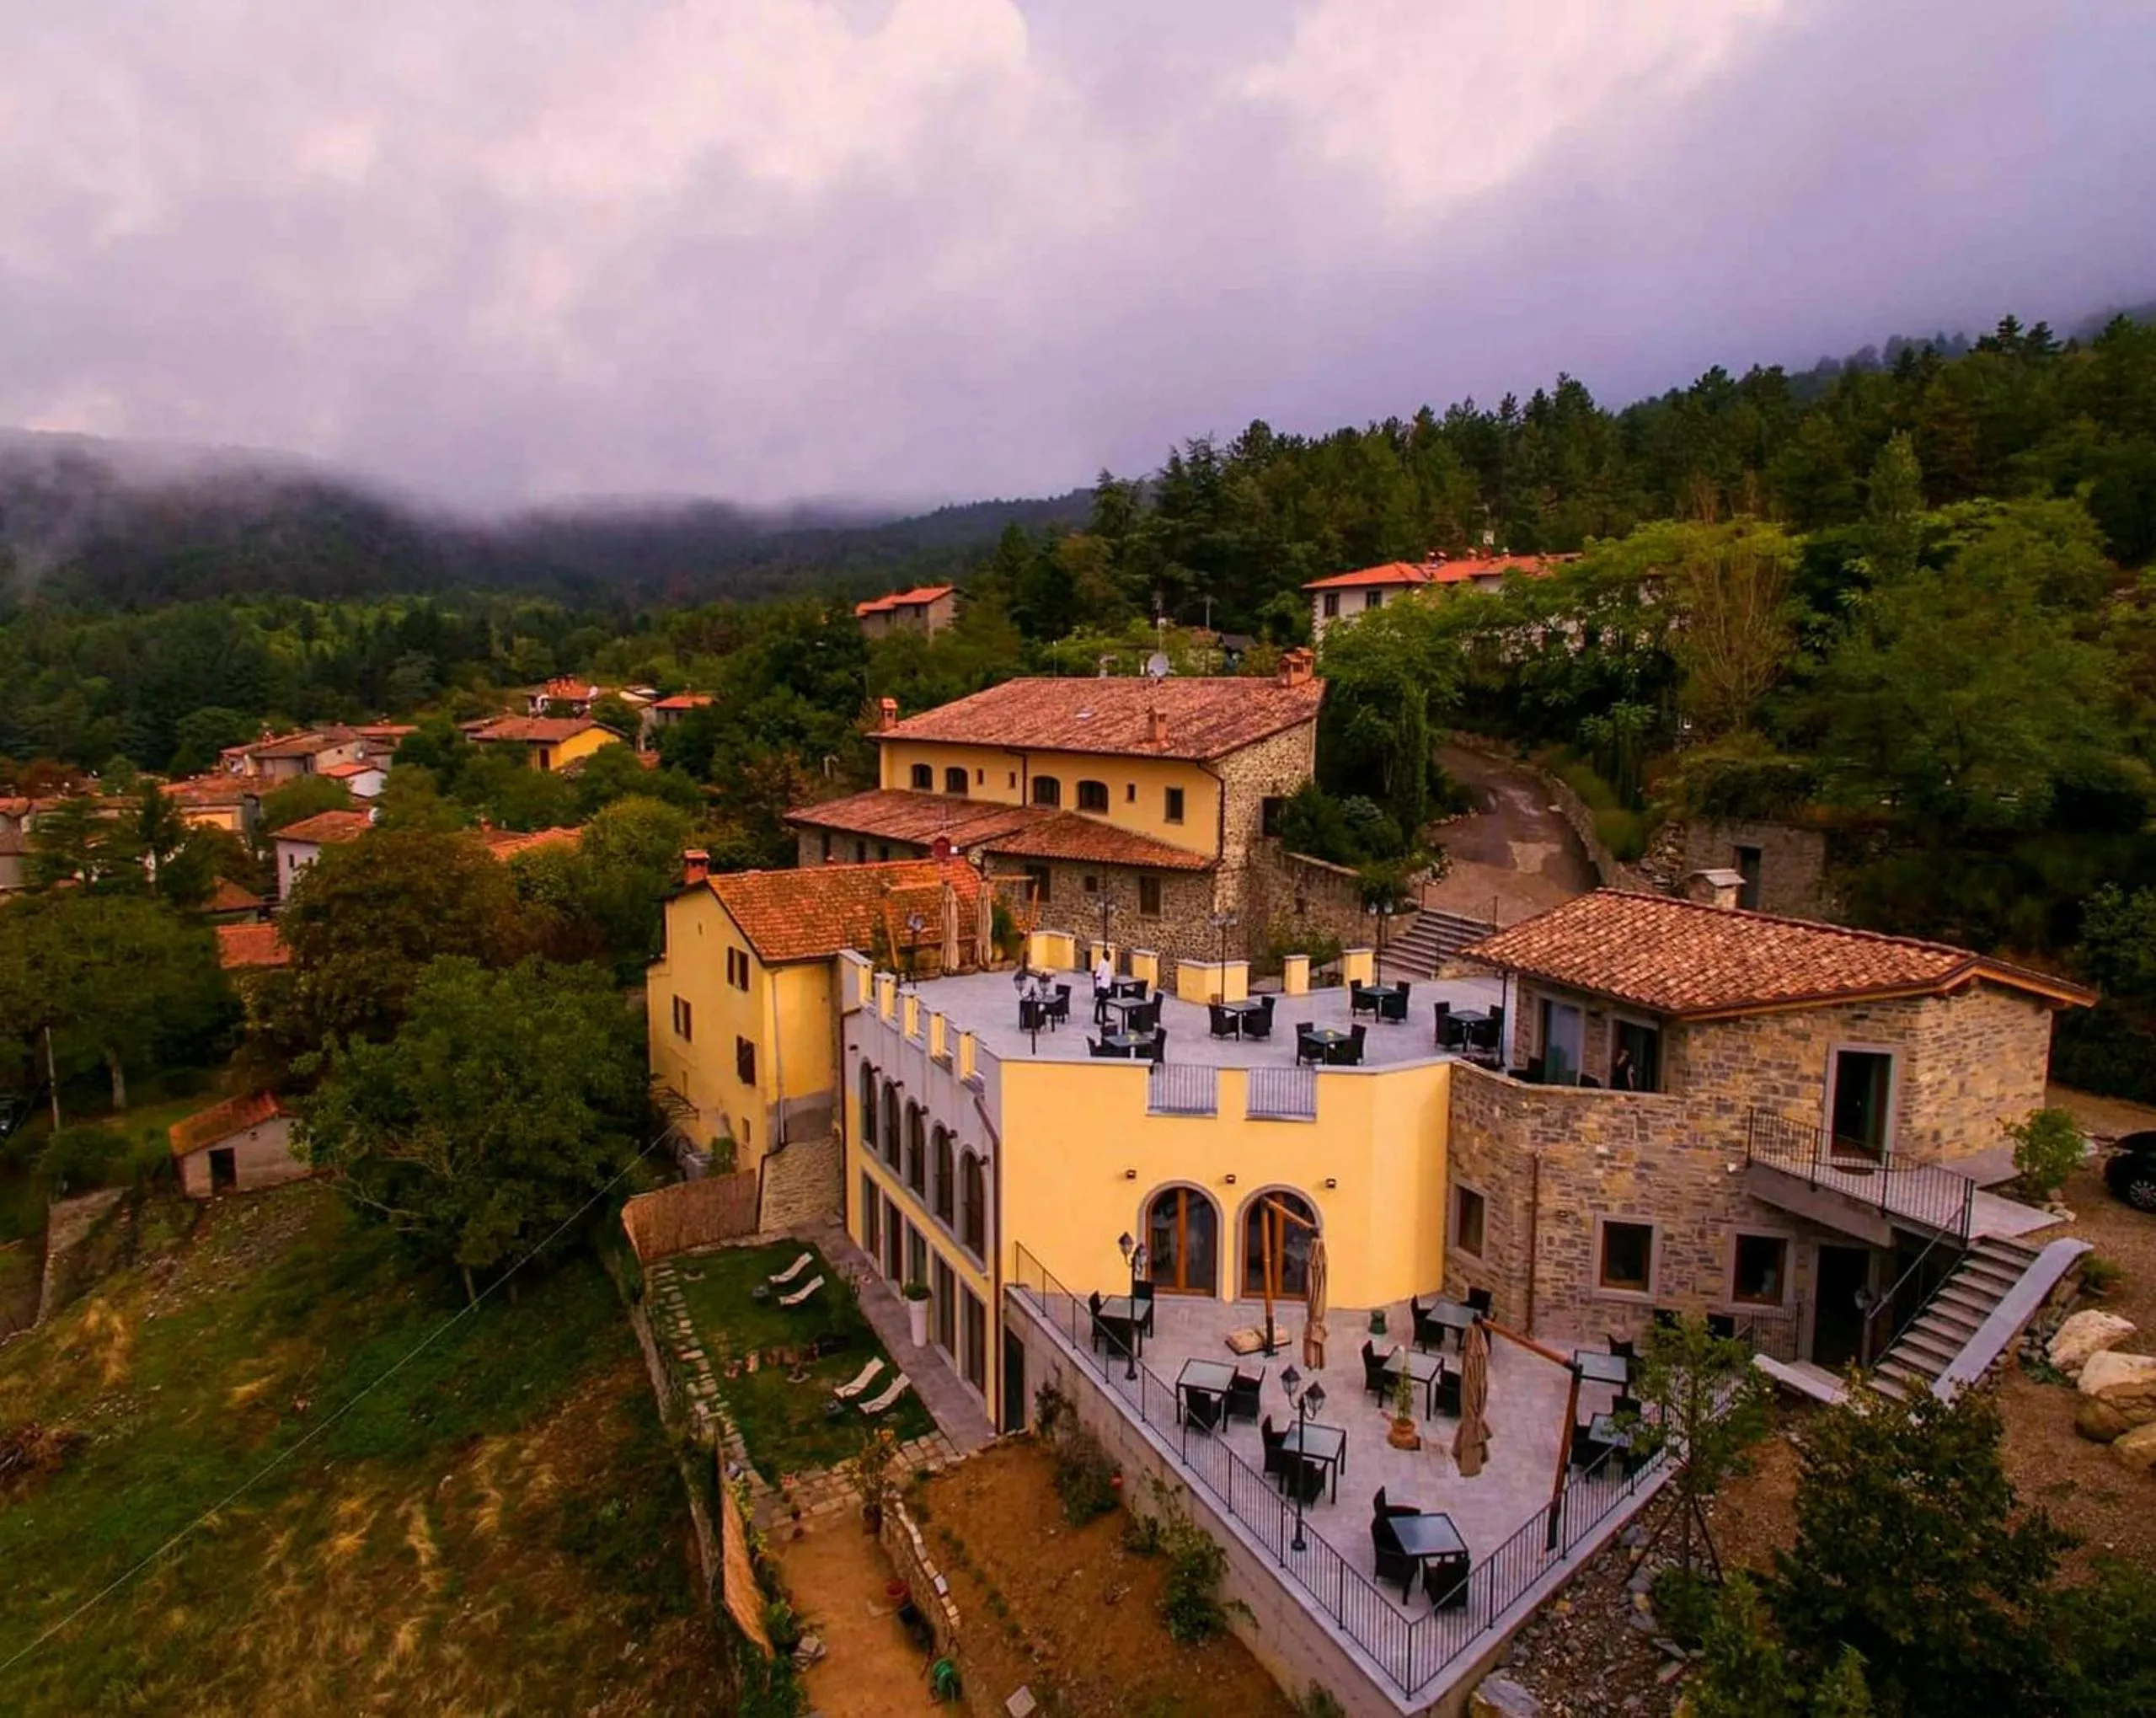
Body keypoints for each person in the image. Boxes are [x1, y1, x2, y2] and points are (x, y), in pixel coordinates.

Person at [1093, 950, 1115, 1023]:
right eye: (1108, 955)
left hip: (1106, 986)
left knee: (1103, 1002)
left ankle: (1104, 1016)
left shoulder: (1107, 963)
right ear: (1105, 955)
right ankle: (1097, 1018)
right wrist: (1098, 986)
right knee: (1101, 1002)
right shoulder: (1102, 963)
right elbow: (1098, 975)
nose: (1110, 957)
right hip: (1102, 987)